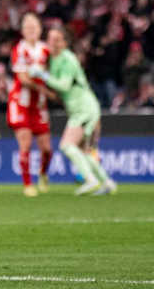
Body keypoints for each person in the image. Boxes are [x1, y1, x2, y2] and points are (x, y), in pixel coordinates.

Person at [30, 27, 117, 195]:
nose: (52, 43)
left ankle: (90, 180)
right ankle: (107, 182)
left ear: (64, 43)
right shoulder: (53, 59)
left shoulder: (68, 59)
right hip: (80, 108)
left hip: (84, 108)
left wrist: (43, 75)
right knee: (84, 150)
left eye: (57, 39)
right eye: (50, 39)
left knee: (67, 145)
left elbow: (64, 86)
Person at [10, 12, 55, 196]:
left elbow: (54, 72)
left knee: (47, 149)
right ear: (22, 31)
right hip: (21, 103)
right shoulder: (19, 50)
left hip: (39, 105)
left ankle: (43, 174)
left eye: (34, 27)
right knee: (25, 144)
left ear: (40, 29)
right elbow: (22, 78)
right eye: (27, 27)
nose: (31, 30)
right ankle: (27, 184)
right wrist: (45, 89)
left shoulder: (46, 50)